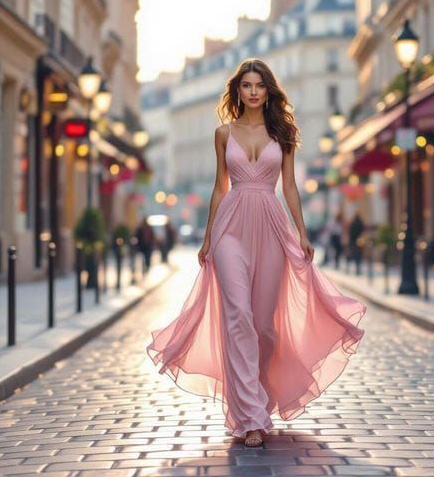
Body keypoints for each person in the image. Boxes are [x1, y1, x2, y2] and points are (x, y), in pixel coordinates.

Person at [147, 58, 366, 447]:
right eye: (246, 85)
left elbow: (291, 187)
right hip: (231, 226)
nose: (252, 91)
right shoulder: (222, 133)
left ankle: (259, 393)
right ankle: (249, 415)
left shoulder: (282, 134)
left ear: (268, 91)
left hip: (270, 225)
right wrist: (208, 236)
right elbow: (219, 187)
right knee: (238, 317)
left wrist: (302, 232)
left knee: (264, 326)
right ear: (237, 90)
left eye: (259, 85)